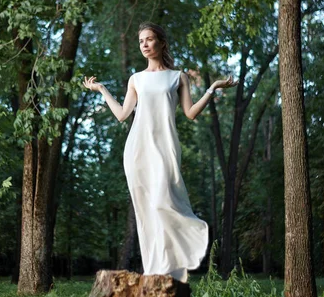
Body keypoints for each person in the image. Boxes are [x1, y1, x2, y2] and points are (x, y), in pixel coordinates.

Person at [83, 22, 237, 283]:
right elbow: (122, 115)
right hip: (138, 149)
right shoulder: (136, 79)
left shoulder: (178, 77)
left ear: (161, 43)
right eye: (141, 40)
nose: (144, 44)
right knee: (146, 210)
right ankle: (155, 271)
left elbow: (190, 113)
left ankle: (174, 264)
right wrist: (102, 90)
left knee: (164, 202)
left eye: (149, 39)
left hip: (165, 148)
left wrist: (212, 89)